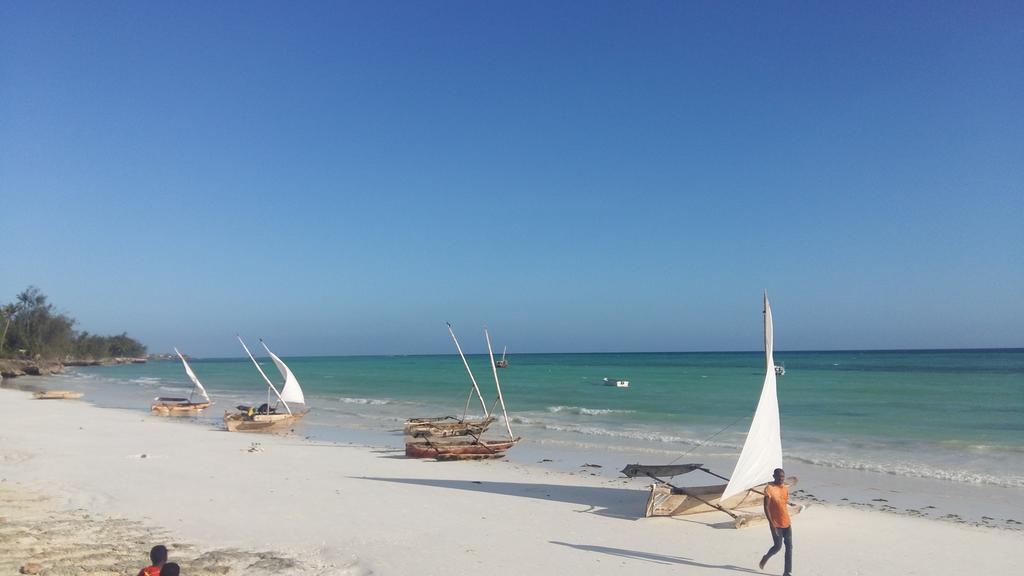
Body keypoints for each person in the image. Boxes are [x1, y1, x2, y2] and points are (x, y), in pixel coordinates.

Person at [759, 468, 792, 576]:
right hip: (775, 524)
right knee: (777, 546)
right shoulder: (769, 488)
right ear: (774, 476)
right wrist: (771, 523)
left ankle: (787, 572)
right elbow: (766, 507)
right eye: (779, 476)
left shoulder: (785, 489)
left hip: (787, 522)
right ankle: (766, 557)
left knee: (789, 547)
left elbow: (784, 504)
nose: (781, 478)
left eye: (783, 476)